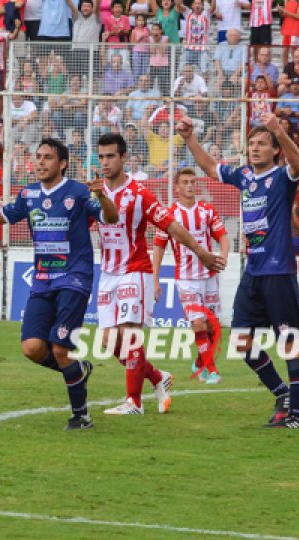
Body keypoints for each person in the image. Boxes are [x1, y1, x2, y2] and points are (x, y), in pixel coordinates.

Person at [0, 138, 117, 430]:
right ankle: (77, 370)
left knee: (61, 349)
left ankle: (81, 415)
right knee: (33, 348)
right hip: (42, 281)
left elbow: (110, 218)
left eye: (47, 157)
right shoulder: (29, 193)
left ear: (62, 163)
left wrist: (102, 196)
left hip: (74, 279)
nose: (40, 162)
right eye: (38, 157)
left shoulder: (78, 191)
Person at [180, 111, 299, 428]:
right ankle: (282, 394)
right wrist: (189, 139)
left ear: (274, 149)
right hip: (253, 273)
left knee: (289, 342)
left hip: (278, 272)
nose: (255, 148)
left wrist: (279, 131)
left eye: (263, 144)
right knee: (240, 340)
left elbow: (298, 164)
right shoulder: (245, 177)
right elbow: (211, 168)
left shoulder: (282, 177)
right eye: (252, 143)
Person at [93, 133, 223, 415]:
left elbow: (172, 227)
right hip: (106, 274)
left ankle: (134, 402)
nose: (105, 162)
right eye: (101, 156)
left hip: (135, 271)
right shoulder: (95, 192)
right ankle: (156, 376)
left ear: (124, 158)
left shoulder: (139, 194)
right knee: (108, 340)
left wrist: (201, 251)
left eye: (111, 156)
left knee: (130, 335)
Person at [152, 168, 230, 385]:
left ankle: (199, 362)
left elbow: (222, 236)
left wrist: (222, 256)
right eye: (185, 182)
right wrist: (155, 280)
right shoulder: (169, 216)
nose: (190, 186)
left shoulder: (206, 211)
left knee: (213, 329)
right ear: (176, 187)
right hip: (186, 279)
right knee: (198, 323)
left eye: (193, 182)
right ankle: (211, 370)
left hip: (209, 276)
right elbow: (158, 248)